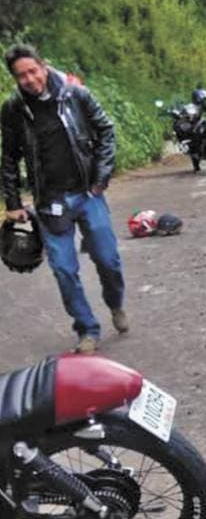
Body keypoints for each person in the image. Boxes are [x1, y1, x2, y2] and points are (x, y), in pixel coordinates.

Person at [1, 44, 128, 354]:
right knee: (64, 270)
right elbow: (8, 157)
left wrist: (100, 180)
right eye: (22, 76)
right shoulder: (14, 110)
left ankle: (115, 303)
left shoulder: (76, 95)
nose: (30, 79)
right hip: (49, 202)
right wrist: (14, 203)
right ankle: (87, 328)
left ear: (43, 67)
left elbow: (106, 131)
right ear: (16, 79)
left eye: (33, 71)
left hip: (88, 194)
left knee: (108, 260)